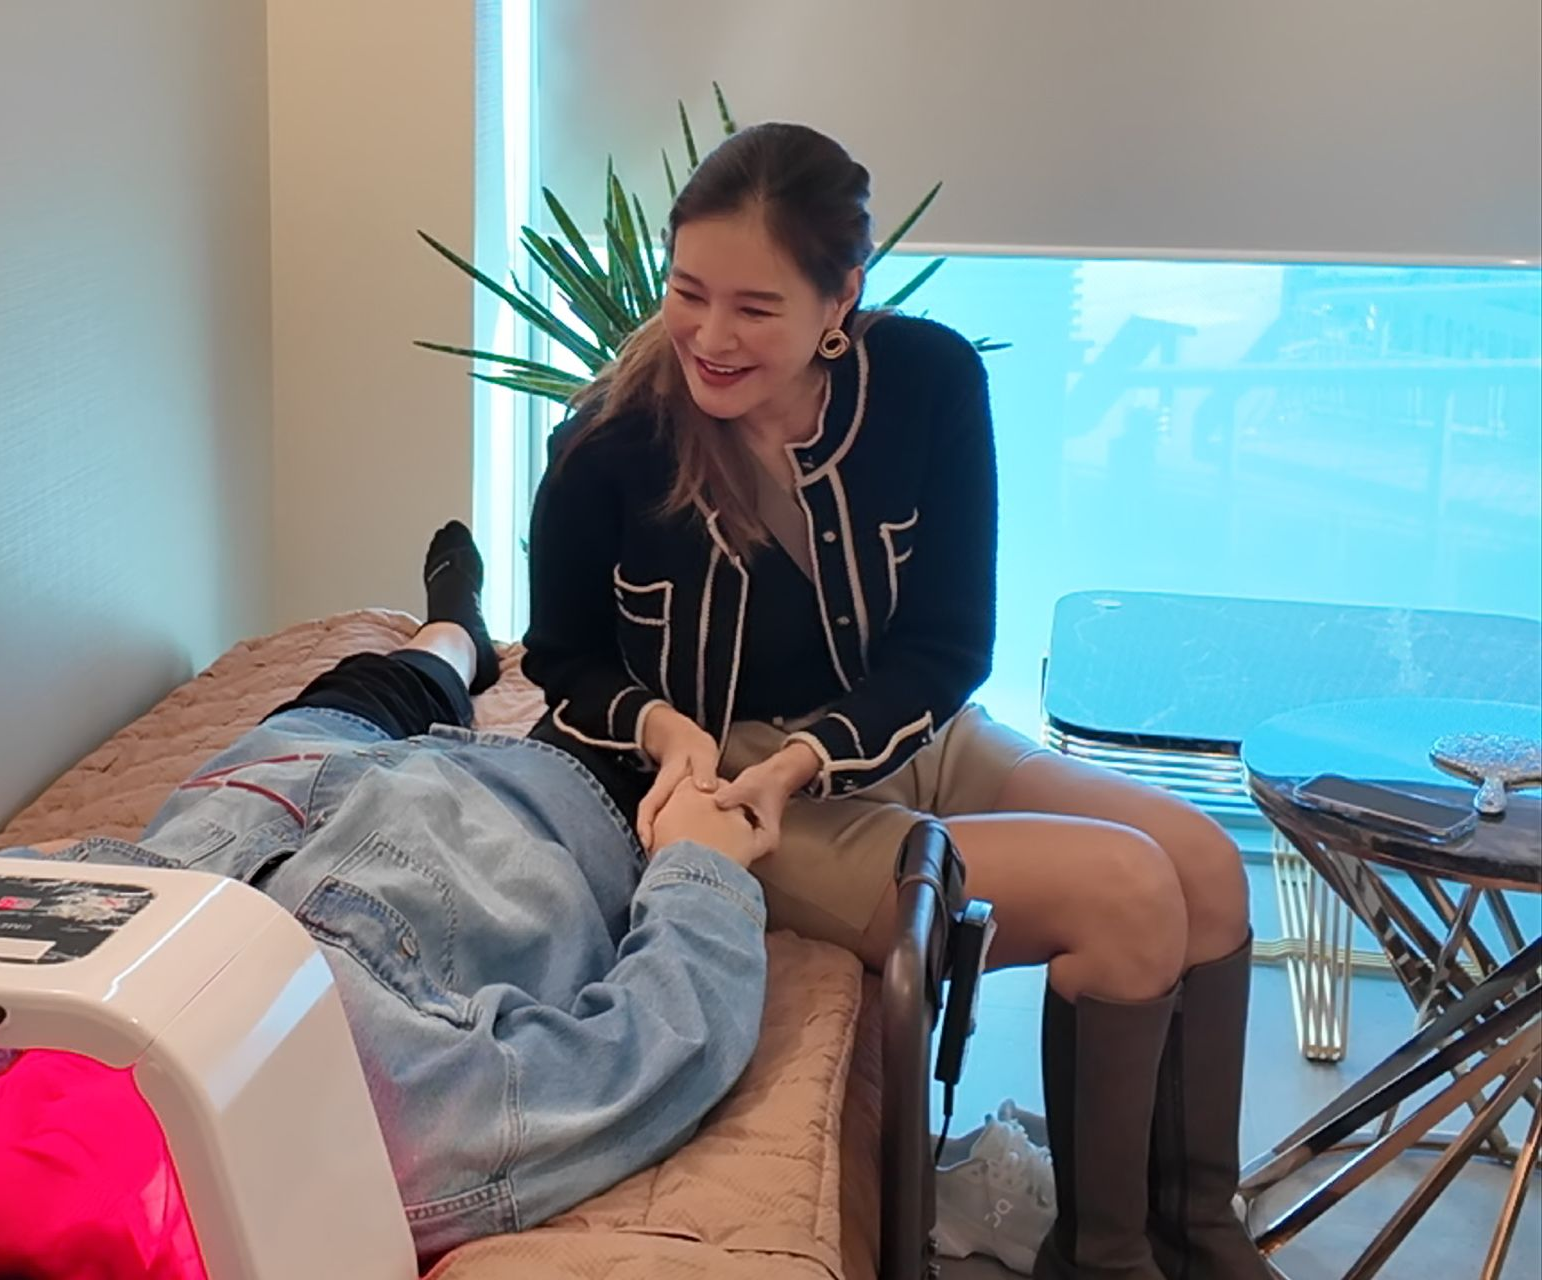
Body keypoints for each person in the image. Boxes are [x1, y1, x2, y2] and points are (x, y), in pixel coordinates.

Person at [521, 123, 1272, 1280]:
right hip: (738, 790)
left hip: (903, 728)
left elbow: (948, 645)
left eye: (755, 308)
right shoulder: (608, 444)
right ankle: (1107, 1256)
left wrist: (820, 749)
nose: (709, 337)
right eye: (688, 292)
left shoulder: (927, 381)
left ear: (841, 300)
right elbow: (563, 659)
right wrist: (666, 730)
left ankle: (1199, 1229)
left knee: (1209, 866)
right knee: (1126, 890)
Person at [0, 522, 770, 1264]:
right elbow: (657, 1047)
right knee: (645, 706)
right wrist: (702, 866)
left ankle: (454, 632)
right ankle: (460, 648)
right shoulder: (392, 1137)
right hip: (519, 808)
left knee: (396, 674)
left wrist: (84, 868)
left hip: (277, 781)